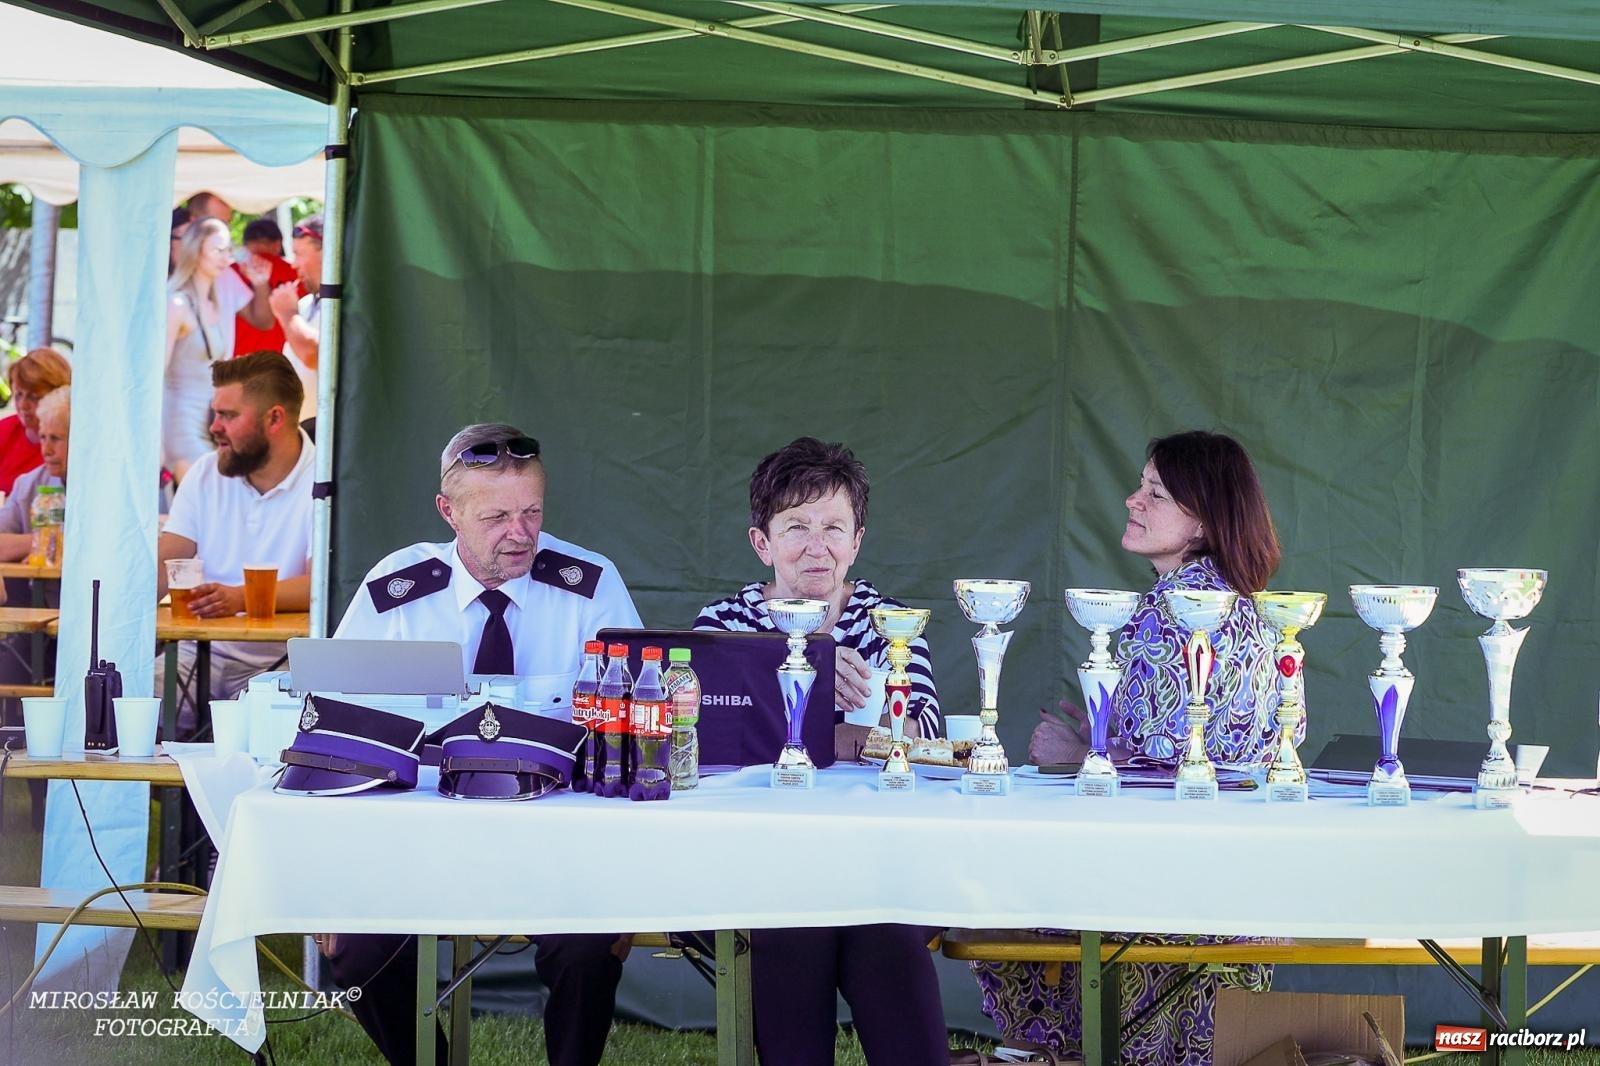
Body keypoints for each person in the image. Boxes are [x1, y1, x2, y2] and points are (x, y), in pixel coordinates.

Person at [330, 422, 643, 1066]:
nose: (521, 534)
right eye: (497, 516)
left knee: (586, 950)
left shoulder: (590, 585)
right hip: (418, 840)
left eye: (532, 512)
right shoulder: (398, 591)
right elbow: (336, 717)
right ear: (449, 511)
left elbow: (633, 719)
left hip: (560, 840)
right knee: (356, 949)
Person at [973, 429, 1289, 1066]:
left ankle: (1052, 1052)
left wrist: (1081, 756)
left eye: (1157, 493)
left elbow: (1177, 775)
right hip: (1246, 881)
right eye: (1141, 486)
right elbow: (1201, 746)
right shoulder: (1247, 606)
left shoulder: (1179, 609)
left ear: (1202, 523)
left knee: (995, 891)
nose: (1132, 500)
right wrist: (1101, 738)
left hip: (1172, 886)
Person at [694, 436, 948, 1066]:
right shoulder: (721, 625)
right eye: (797, 526)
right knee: (791, 929)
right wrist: (809, 704)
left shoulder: (892, 622)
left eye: (834, 527)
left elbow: (921, 733)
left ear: (857, 540)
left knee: (886, 936)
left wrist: (785, 725)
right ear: (763, 542)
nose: (817, 545)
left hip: (878, 860)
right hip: (763, 859)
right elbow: (699, 740)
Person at [155, 352, 314, 706]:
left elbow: (321, 587)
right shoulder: (204, 472)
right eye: (215, 413)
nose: (213, 426)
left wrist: (238, 597)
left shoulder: (325, 479)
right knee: (123, 705)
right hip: (195, 656)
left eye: (227, 415)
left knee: (273, 720)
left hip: (286, 666)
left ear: (274, 418)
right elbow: (163, 568)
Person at [164, 217, 274, 481]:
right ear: (196, 250)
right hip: (181, 424)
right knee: (205, 503)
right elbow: (154, 375)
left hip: (212, 422)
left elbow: (264, 322)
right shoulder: (176, 303)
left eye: (228, 250)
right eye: (218, 250)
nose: (226, 257)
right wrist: (154, 440)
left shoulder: (215, 302)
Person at [269, 214, 322, 425]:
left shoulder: (348, 303)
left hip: (327, 433)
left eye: (299, 254)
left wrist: (287, 314)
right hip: (300, 431)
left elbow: (314, 355)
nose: (294, 264)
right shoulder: (304, 305)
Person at [0, 346, 71, 495]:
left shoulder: (69, 441)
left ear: (57, 394)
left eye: (34, 396)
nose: (23, 405)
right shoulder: (5, 430)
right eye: (18, 395)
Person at [232, 218, 300, 356]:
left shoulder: (229, 272)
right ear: (277, 245)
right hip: (280, 363)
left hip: (237, 363)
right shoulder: (297, 273)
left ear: (245, 245)